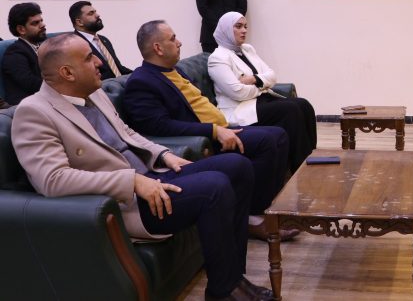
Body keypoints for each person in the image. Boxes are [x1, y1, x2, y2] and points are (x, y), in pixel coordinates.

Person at [10, 34, 275, 300]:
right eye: (89, 58)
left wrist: (163, 154)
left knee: (237, 166)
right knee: (214, 187)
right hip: (126, 200)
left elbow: (126, 132)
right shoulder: (34, 112)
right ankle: (223, 291)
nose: (99, 62)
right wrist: (132, 181)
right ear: (67, 72)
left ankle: (233, 277)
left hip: (151, 176)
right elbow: (53, 180)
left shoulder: (94, 93)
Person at [123, 20, 297, 242]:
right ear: (158, 48)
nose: (179, 42)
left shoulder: (174, 71)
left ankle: (266, 208)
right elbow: (158, 126)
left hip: (221, 127)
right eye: (173, 39)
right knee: (267, 141)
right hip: (202, 138)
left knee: (278, 134)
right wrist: (213, 131)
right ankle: (252, 218)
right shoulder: (142, 81)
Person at [208, 12, 317, 172]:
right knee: (290, 110)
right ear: (226, 29)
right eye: (238, 26)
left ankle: (312, 157)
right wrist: (261, 86)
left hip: (258, 100)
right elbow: (237, 92)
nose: (244, 30)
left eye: (245, 26)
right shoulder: (217, 58)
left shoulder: (247, 49)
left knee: (303, 105)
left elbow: (272, 75)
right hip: (240, 108)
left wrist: (253, 79)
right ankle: (301, 169)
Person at [69, 0, 132, 80]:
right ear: (79, 22)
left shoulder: (104, 40)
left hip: (119, 84)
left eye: (95, 12)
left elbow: (117, 68)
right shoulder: (74, 45)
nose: (97, 15)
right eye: (91, 13)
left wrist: (139, 74)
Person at [1, 2, 47, 105]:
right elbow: (32, 84)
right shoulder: (14, 53)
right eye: (35, 23)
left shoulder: (44, 46)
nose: (43, 25)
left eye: (41, 21)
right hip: (26, 105)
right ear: (21, 29)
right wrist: (62, 86)